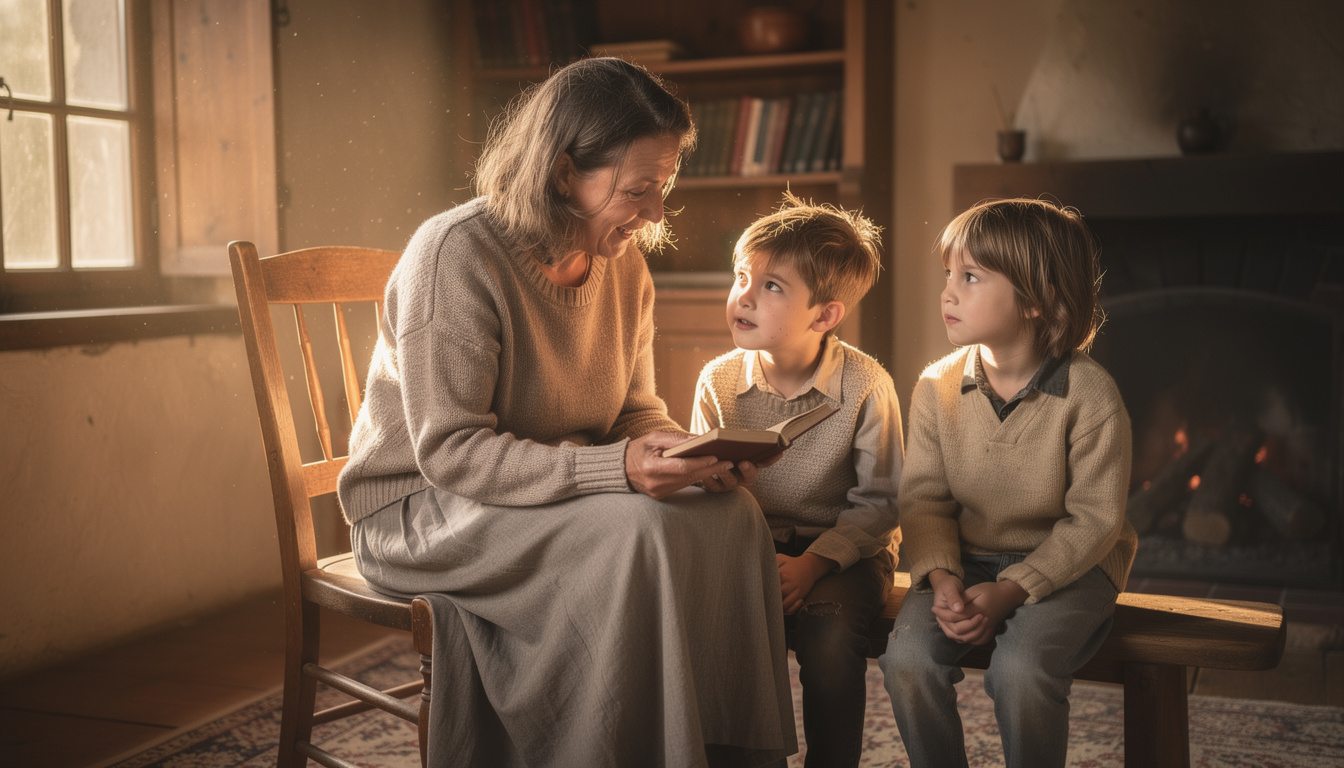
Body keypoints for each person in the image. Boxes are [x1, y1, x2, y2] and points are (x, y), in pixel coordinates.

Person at [337, 57, 796, 768]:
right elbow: (451, 452)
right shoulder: (456, 254)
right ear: (561, 175)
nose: (656, 214)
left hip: (548, 491)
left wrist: (682, 451)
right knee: (638, 532)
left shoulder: (625, 266)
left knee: (732, 515)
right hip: (423, 509)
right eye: (638, 191)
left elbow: (633, 410)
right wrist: (618, 469)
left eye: (664, 187)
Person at [878, 198, 1136, 768]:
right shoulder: (935, 388)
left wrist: (1014, 589)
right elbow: (923, 503)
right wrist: (941, 577)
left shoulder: (1091, 396)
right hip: (965, 561)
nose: (948, 292)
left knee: (1020, 671)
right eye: (948, 274)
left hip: (1072, 568)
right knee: (908, 662)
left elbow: (1095, 521)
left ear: (1036, 299)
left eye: (970, 277)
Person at [690, 193, 903, 768]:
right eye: (741, 277)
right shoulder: (718, 380)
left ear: (825, 315)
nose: (744, 297)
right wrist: (709, 482)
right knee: (715, 638)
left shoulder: (866, 384)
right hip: (748, 546)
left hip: (845, 554)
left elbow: (880, 506)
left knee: (830, 646)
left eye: (771, 287)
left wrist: (813, 564)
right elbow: (697, 488)